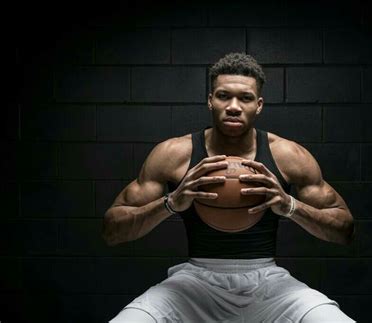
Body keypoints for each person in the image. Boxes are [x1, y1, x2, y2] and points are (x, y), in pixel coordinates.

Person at [103, 52, 356, 322]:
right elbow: (111, 231)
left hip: (270, 286)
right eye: (224, 96)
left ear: (258, 105)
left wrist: (290, 205)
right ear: (210, 100)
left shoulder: (288, 155)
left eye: (245, 98)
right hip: (193, 284)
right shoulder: (174, 153)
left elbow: (344, 230)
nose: (233, 106)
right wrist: (170, 203)